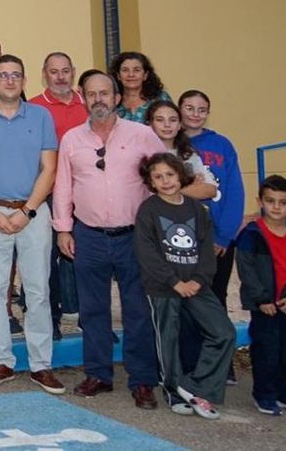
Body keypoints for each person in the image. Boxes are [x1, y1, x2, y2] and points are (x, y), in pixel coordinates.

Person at [53, 70, 165, 409]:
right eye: (91, 94)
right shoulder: (72, 139)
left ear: (117, 98)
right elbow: (63, 185)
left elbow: (163, 176)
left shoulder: (143, 135)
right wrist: (63, 228)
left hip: (135, 236)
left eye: (105, 93)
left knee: (137, 310)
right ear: (83, 98)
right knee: (92, 310)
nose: (98, 99)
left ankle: (143, 379)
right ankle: (99, 374)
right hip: (88, 235)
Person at [0, 55, 64, 394]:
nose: (10, 80)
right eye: (3, 75)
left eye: (16, 75)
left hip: (33, 213)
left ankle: (41, 365)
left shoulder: (40, 116)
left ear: (24, 80)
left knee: (37, 291)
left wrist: (28, 211)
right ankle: (2, 360)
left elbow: (48, 169)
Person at [134, 152, 233, 419]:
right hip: (163, 288)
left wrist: (198, 280)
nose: (165, 181)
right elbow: (146, 252)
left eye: (170, 174)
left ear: (181, 175)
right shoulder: (149, 210)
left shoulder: (195, 209)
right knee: (168, 339)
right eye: (158, 177)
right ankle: (173, 392)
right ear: (151, 182)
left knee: (223, 333)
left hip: (197, 285)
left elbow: (206, 249)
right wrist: (174, 281)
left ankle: (193, 388)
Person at [177, 89, 246, 380]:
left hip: (215, 238)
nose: (195, 113)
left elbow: (234, 192)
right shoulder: (168, 143)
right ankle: (185, 363)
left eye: (201, 109)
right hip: (180, 236)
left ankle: (221, 365)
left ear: (208, 112)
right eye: (189, 108)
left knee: (215, 299)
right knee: (182, 301)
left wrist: (225, 236)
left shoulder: (222, 145)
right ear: (179, 110)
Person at [236, 176, 286, 416]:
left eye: (283, 202)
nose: (276, 207)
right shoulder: (251, 234)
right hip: (264, 307)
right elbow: (246, 269)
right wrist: (261, 300)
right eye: (270, 201)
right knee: (266, 351)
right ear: (260, 201)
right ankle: (265, 395)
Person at [30, 51, 87, 336]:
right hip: (48, 194)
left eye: (65, 71)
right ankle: (50, 321)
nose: (61, 77)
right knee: (46, 259)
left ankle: (90, 321)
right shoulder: (34, 108)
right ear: (45, 74)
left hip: (86, 196)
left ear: (73, 71)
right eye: (54, 72)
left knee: (88, 260)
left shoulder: (88, 104)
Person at [146, 101, 221, 201]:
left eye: (173, 120)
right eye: (160, 120)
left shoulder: (188, 153)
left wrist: (164, 187)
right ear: (150, 124)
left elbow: (211, 190)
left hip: (184, 214)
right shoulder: (142, 155)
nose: (167, 125)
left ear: (179, 125)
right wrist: (190, 186)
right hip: (150, 213)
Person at [111, 51, 170, 123]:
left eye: (137, 70)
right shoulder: (112, 102)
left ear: (145, 75)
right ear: (118, 76)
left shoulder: (160, 98)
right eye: (125, 70)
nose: (131, 74)